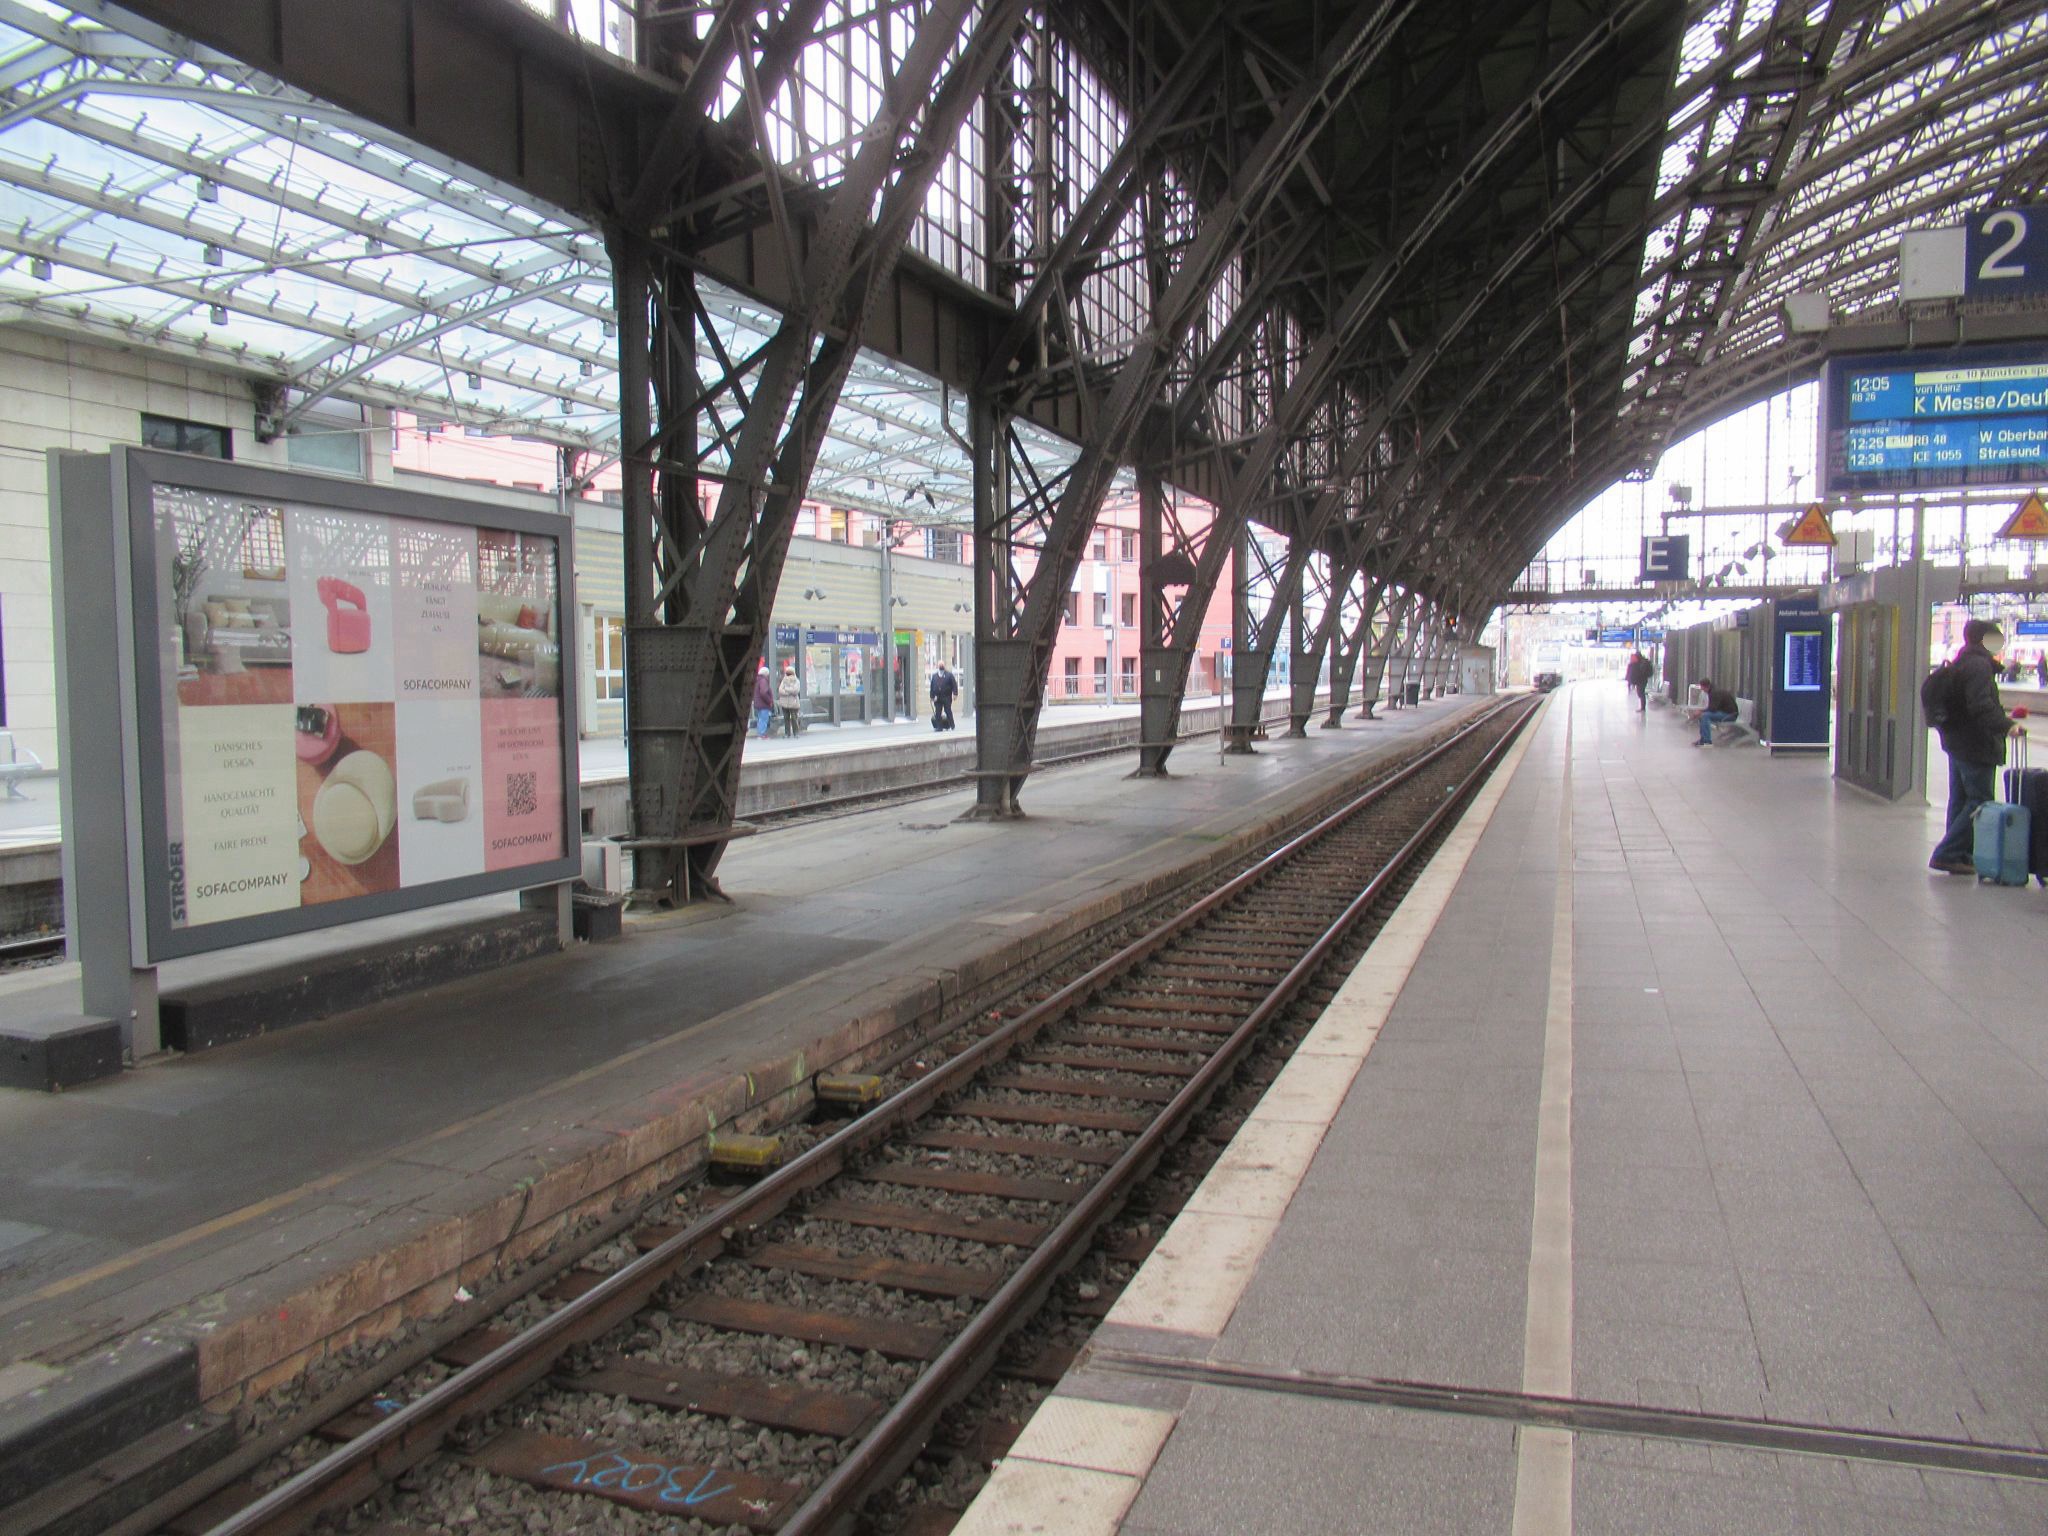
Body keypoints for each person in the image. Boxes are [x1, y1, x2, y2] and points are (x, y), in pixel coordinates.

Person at [1928, 618, 2028, 875]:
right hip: (1975, 743)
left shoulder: (1963, 661)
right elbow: (1980, 705)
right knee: (1979, 800)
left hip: (1958, 742)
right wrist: (2007, 726)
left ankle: (1958, 855)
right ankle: (1947, 852)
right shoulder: (1979, 666)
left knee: (1961, 800)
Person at [1692, 676, 1737, 747]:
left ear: (1706, 687)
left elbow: (1713, 708)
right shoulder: (1713, 691)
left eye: (1702, 687)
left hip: (1730, 715)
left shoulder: (1714, 693)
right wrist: (1701, 712)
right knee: (1703, 716)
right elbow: (1713, 708)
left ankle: (1707, 741)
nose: (1702, 689)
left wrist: (1700, 711)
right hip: (1727, 713)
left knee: (1705, 716)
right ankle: (1703, 739)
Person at [776, 659, 803, 737]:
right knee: (786, 718)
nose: (788, 674)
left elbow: (796, 690)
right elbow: (780, 690)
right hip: (784, 703)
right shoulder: (783, 681)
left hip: (793, 703)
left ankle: (796, 733)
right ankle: (787, 733)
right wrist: (789, 692)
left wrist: (786, 690)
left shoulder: (796, 681)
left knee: (794, 718)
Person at [929, 661, 958, 732]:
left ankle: (952, 725)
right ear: (937, 666)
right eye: (940, 665)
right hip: (937, 698)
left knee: (948, 711)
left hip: (946, 697)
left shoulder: (949, 675)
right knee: (938, 712)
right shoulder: (934, 676)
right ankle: (939, 727)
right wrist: (932, 696)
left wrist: (955, 694)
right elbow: (932, 687)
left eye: (942, 664)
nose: (941, 666)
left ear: (944, 666)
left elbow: (954, 685)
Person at [751, 661, 775, 740]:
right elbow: (763, 692)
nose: (768, 675)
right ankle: (762, 735)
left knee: (760, 719)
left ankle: (760, 734)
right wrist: (769, 701)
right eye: (768, 674)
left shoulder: (757, 680)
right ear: (766, 674)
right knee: (764, 719)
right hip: (763, 704)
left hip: (758, 703)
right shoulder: (763, 681)